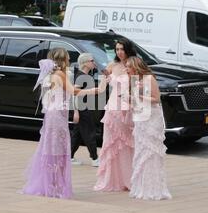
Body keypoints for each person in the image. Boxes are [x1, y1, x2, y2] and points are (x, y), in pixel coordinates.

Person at [21, 48, 106, 199]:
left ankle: (51, 183)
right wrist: (95, 90)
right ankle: (54, 185)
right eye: (67, 58)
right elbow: (73, 91)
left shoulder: (52, 74)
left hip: (54, 113)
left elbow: (62, 92)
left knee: (52, 147)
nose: (68, 60)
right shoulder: (60, 73)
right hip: (57, 116)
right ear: (63, 60)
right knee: (58, 148)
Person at [93, 38, 137, 192]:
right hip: (112, 108)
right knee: (110, 143)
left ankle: (129, 178)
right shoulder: (112, 66)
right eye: (117, 49)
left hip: (127, 108)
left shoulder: (134, 65)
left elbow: (137, 87)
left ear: (128, 49)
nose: (119, 52)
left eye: (122, 49)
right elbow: (101, 87)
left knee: (127, 144)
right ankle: (112, 179)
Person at [126, 56, 172, 200]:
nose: (126, 69)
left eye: (128, 67)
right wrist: (129, 100)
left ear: (135, 67)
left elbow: (156, 99)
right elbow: (135, 102)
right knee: (140, 151)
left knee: (151, 151)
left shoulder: (149, 78)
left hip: (152, 117)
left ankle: (153, 188)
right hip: (140, 117)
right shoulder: (133, 80)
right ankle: (141, 186)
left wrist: (139, 98)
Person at [70, 53, 100, 167]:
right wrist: (76, 111)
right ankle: (95, 158)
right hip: (82, 108)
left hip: (84, 107)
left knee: (77, 134)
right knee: (89, 132)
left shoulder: (86, 75)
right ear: (86, 63)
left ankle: (70, 156)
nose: (94, 63)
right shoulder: (80, 76)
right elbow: (75, 94)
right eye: (92, 61)